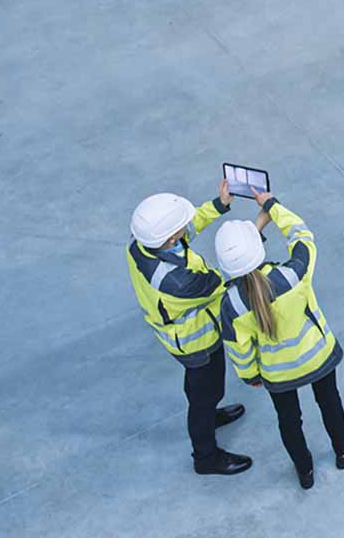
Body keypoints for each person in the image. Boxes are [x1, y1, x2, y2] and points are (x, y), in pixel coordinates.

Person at [215, 189, 344, 489]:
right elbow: (302, 235)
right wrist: (272, 206)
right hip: (318, 356)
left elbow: (239, 351)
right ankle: (342, 450)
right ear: (258, 250)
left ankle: (305, 472)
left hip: (277, 372)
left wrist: (251, 376)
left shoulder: (231, 305)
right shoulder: (294, 275)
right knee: (329, 401)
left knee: (289, 421)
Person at [127, 181, 253, 476]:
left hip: (184, 334)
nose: (187, 226)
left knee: (204, 393)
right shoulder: (179, 282)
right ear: (171, 238)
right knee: (203, 394)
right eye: (179, 227)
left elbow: (188, 227)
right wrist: (250, 247)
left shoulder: (143, 245)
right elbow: (228, 284)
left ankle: (209, 415)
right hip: (198, 343)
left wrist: (219, 204)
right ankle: (205, 456)